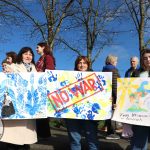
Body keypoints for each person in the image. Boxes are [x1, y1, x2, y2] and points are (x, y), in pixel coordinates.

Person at [0, 47, 37, 150]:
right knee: (14, 138)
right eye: (25, 54)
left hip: (28, 107)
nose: (28, 56)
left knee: (25, 139)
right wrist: (7, 71)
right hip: (16, 106)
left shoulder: (34, 69)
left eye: (30, 54)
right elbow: (7, 78)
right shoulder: (14, 66)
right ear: (21, 55)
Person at [65, 56, 99, 150]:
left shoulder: (95, 78)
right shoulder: (69, 78)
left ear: (88, 65)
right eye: (80, 63)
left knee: (92, 139)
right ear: (76, 65)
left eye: (84, 63)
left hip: (89, 114)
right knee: (74, 140)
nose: (82, 65)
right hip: (72, 114)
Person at [130, 49, 150, 150]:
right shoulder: (136, 73)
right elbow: (130, 91)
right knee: (139, 141)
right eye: (145, 58)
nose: (148, 60)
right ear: (142, 60)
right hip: (140, 112)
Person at [35, 42, 55, 140]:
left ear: (43, 47)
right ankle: (41, 133)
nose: (36, 49)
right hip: (38, 86)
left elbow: (50, 71)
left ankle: (44, 134)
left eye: (37, 47)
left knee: (42, 111)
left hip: (44, 86)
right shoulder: (40, 59)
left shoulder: (48, 57)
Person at [102, 54, 120, 140]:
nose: (116, 63)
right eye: (116, 61)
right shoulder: (114, 70)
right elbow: (115, 85)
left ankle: (109, 132)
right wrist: (117, 97)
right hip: (112, 96)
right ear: (112, 61)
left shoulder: (104, 70)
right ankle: (112, 133)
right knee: (113, 114)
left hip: (105, 95)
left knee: (108, 114)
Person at [122, 56, 139, 138]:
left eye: (134, 61)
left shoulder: (140, 71)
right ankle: (130, 133)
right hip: (129, 96)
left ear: (137, 62)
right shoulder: (127, 72)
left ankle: (137, 133)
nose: (132, 63)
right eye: (131, 61)